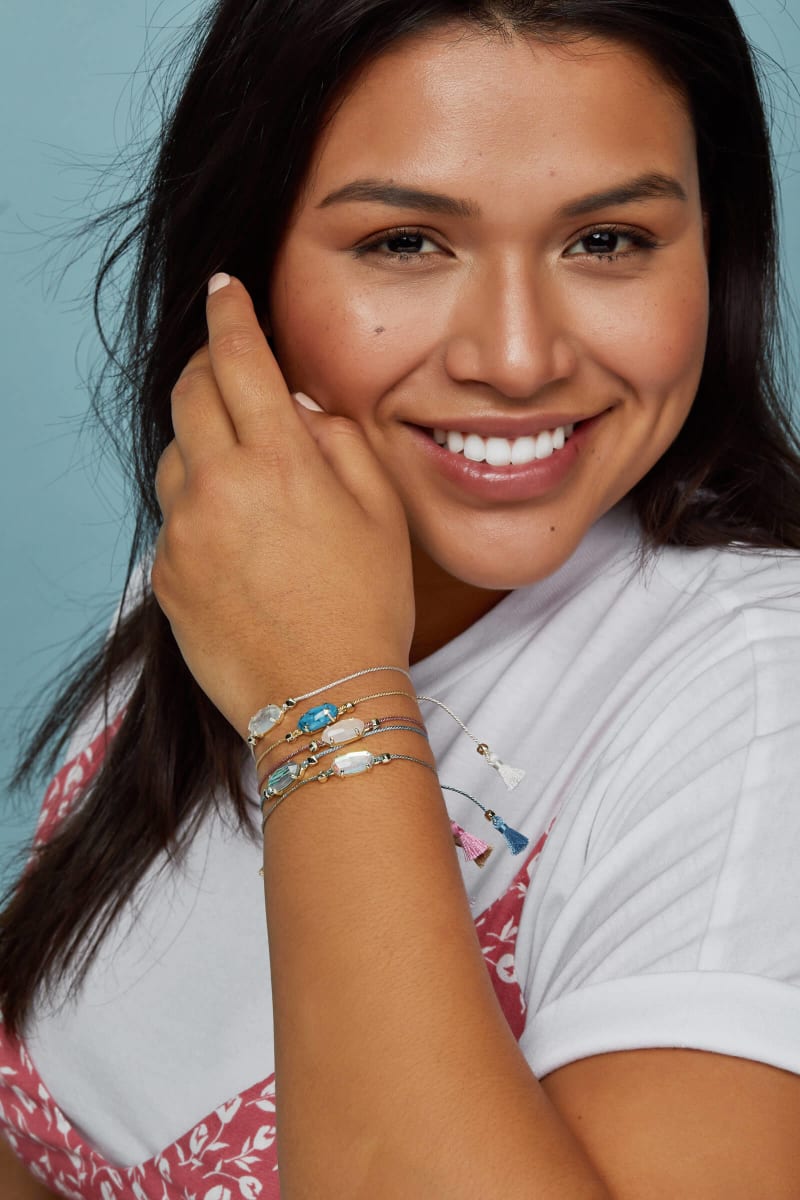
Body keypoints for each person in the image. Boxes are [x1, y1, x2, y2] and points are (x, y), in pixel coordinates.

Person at [2, 0, 800, 1195]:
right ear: (244, 270)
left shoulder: (757, 701)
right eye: (405, 244)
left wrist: (324, 704)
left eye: (606, 241)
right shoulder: (242, 562)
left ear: (715, 256)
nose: (518, 357)